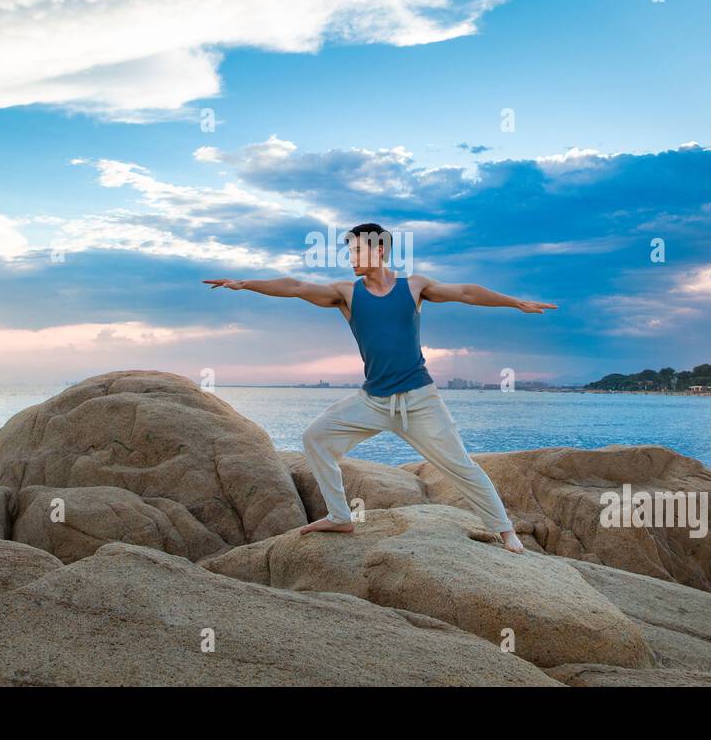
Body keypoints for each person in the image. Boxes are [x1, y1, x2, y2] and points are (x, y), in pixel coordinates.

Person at [203, 222, 556, 554]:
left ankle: (505, 530)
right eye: (350, 252)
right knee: (316, 437)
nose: (352, 258)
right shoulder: (346, 293)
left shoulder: (414, 287)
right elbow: (295, 287)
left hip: (420, 401)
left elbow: (466, 292)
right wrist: (246, 283)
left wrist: (515, 302)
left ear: (381, 250)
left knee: (460, 465)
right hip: (372, 401)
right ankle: (340, 516)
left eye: (357, 250)